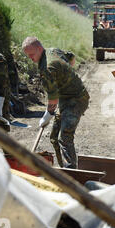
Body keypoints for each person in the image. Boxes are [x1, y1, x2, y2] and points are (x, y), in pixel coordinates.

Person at [22, 37, 90, 169]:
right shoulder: (52, 51)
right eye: (28, 55)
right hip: (65, 98)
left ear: (39, 49)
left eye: (32, 54)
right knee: (54, 136)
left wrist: (47, 116)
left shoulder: (47, 68)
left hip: (77, 100)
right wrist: (66, 75)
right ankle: (63, 168)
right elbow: (71, 56)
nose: (30, 58)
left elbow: (53, 99)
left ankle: (71, 173)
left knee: (65, 137)